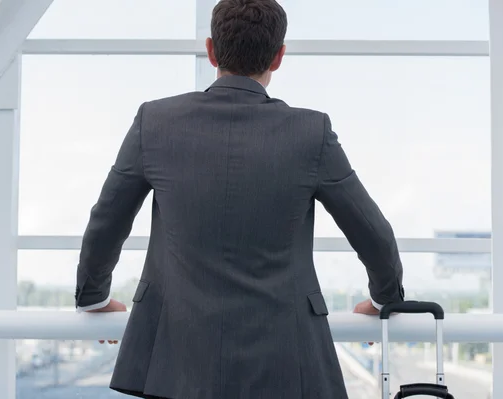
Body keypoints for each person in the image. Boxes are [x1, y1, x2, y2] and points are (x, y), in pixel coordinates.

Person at [74, 0, 404, 397]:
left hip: (177, 362)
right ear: (278, 57)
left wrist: (94, 298)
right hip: (285, 362)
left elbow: (107, 221)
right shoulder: (309, 132)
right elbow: (374, 234)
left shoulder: (155, 122)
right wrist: (384, 297)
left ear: (211, 50)